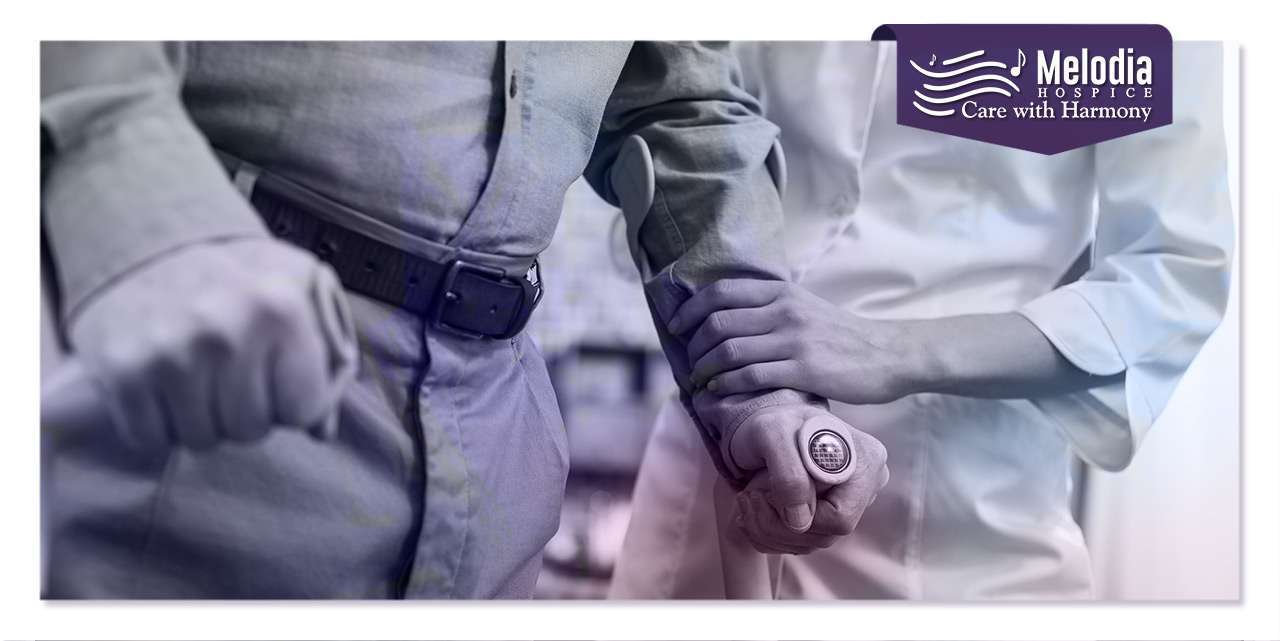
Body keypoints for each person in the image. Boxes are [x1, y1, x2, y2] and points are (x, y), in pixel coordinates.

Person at [39, 41, 893, 598]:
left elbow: (679, 106)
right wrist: (150, 223)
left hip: (500, 467)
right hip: (203, 398)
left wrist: (761, 384)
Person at [610, 41, 1233, 599]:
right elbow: (684, 120)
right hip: (715, 464)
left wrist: (891, 350)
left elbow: (1171, 275)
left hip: (965, 527)